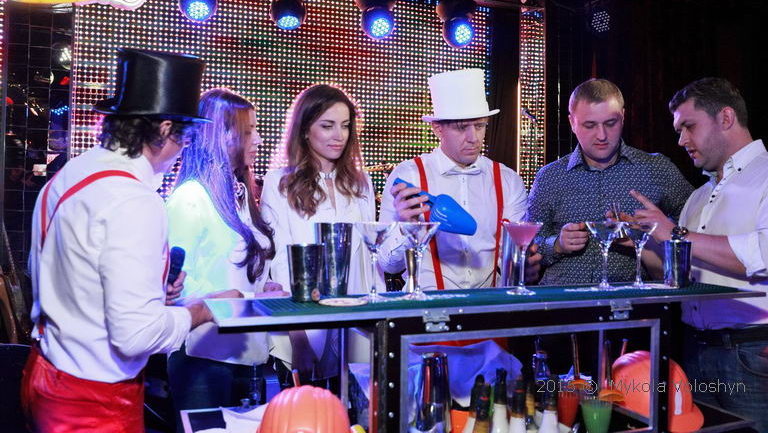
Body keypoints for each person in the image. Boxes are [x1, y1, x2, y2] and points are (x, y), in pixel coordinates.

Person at [21, 49, 234, 432]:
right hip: (91, 402)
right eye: (184, 139)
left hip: (45, 374)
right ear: (165, 130)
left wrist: (150, 292)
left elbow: (68, 277)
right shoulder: (135, 200)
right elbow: (136, 335)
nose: (181, 152)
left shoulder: (72, 172)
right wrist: (202, 310)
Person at [631, 77, 768, 430]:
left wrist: (674, 232)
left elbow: (761, 255)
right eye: (679, 130)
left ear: (726, 118)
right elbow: (677, 273)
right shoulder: (698, 196)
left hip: (752, 353)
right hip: (695, 350)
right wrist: (640, 242)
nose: (681, 140)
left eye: (689, 126)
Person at [165, 89, 283, 429]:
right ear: (219, 135)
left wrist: (263, 288)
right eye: (248, 131)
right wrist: (240, 298)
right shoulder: (190, 198)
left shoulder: (241, 196)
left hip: (249, 356)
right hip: (203, 360)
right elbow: (173, 289)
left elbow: (237, 272)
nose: (258, 140)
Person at [379, 68, 537, 290]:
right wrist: (407, 229)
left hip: (488, 306)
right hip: (425, 306)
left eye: (480, 126)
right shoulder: (408, 176)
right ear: (437, 129)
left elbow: (513, 261)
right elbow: (388, 265)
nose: (474, 138)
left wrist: (526, 265)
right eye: (462, 128)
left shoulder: (508, 181)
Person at [260, 84, 375, 386]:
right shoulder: (279, 183)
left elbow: (369, 259)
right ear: (304, 130)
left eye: (345, 126)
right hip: (305, 329)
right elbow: (281, 266)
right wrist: (298, 338)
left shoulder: (361, 183)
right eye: (327, 126)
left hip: (358, 328)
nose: (339, 135)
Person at [526, 78, 693, 285]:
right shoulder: (550, 176)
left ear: (623, 117)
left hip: (633, 299)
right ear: (572, 123)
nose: (602, 135)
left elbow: (695, 226)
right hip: (564, 298)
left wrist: (653, 237)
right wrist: (557, 244)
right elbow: (529, 244)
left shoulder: (656, 168)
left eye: (610, 123)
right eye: (590, 125)